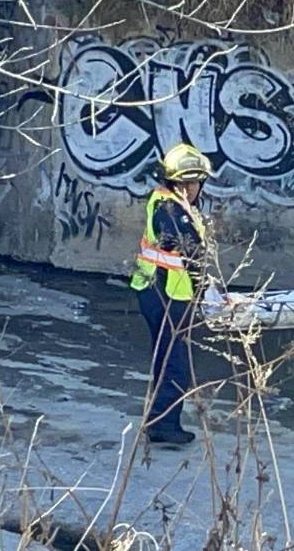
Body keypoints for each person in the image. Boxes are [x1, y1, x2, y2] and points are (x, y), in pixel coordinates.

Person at [130, 143, 213, 445]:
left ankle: (159, 419)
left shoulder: (167, 202)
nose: (198, 189)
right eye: (196, 183)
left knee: (165, 359)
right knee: (174, 364)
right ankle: (164, 426)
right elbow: (181, 247)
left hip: (155, 291)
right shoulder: (170, 209)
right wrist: (204, 287)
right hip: (166, 295)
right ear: (187, 183)